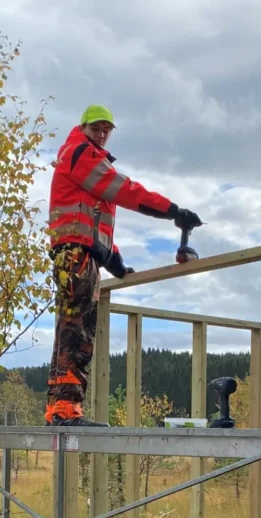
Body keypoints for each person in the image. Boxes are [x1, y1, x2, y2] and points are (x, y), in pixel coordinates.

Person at [45, 104, 202, 426]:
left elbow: (95, 223)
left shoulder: (87, 163)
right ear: (83, 128)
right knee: (76, 333)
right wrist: (173, 210)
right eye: (96, 129)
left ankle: (60, 408)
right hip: (75, 255)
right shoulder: (80, 154)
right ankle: (64, 410)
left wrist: (116, 263)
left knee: (72, 328)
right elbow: (126, 191)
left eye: (107, 130)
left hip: (80, 255)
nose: (102, 135)